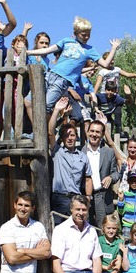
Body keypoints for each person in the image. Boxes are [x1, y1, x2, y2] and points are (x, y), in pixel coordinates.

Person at [24, 16, 120, 122]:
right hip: (50, 75)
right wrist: (29, 52)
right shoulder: (66, 41)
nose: (86, 37)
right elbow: (47, 50)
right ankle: (38, 131)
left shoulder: (90, 50)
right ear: (75, 33)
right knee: (28, 101)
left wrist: (113, 48)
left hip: (62, 81)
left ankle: (44, 133)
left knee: (44, 107)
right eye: (83, 35)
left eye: (88, 34)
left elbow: (106, 64)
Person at [49, 97, 93, 225]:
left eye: (72, 135)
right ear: (62, 138)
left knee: (80, 230)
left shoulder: (83, 157)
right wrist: (57, 110)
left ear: (76, 137)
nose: (69, 138)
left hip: (77, 198)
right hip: (59, 198)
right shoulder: (58, 152)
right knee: (57, 230)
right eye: (66, 135)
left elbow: (88, 179)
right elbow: (50, 132)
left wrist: (88, 198)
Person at [82, 119, 120, 227]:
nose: (94, 134)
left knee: (102, 229)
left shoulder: (108, 152)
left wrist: (110, 178)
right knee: (85, 228)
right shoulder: (80, 152)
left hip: (102, 196)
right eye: (92, 131)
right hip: (85, 196)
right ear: (88, 132)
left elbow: (116, 173)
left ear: (102, 134)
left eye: (97, 132)